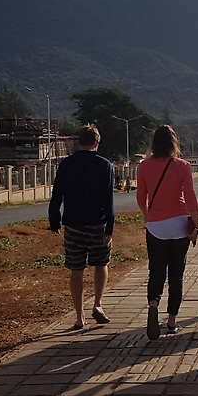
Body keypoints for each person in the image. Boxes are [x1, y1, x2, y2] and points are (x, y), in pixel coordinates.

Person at [48, 125, 115, 330]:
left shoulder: (67, 164)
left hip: (74, 225)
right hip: (98, 225)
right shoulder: (104, 165)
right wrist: (110, 227)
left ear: (78, 143)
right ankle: (97, 304)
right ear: (97, 143)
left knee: (76, 269)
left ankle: (79, 317)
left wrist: (54, 220)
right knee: (101, 264)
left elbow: (57, 194)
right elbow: (108, 199)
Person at [137, 125, 198, 340]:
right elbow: (190, 196)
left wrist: (149, 216)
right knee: (176, 274)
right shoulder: (183, 166)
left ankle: (153, 304)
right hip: (179, 225)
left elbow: (141, 197)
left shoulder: (144, 166)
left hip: (156, 226)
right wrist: (196, 225)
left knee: (156, 271)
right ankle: (172, 321)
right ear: (174, 143)